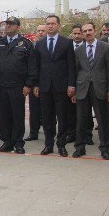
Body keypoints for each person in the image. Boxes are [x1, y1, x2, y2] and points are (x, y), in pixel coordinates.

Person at [0, 17, 37, 154]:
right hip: (1, 84)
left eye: (11, 24)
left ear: (18, 27)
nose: (8, 26)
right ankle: (7, 142)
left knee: (17, 115)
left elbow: (32, 67)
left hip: (18, 85)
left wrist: (28, 85)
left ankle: (18, 143)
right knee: (4, 115)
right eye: (6, 24)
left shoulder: (25, 44)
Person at [33, 15, 75, 157]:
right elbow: (37, 66)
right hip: (45, 86)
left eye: (52, 24)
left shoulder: (67, 43)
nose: (50, 26)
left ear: (58, 25)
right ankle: (48, 144)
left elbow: (71, 65)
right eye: (47, 24)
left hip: (61, 86)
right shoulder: (40, 43)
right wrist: (36, 85)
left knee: (62, 117)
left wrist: (71, 84)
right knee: (47, 118)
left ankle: (61, 145)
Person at [73, 22, 109, 159]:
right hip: (82, 88)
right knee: (81, 120)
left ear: (95, 31)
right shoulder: (78, 50)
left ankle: (105, 148)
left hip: (100, 87)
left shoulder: (105, 47)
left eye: (90, 30)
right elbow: (75, 71)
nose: (87, 33)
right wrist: (74, 90)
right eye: (85, 31)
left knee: (102, 120)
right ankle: (79, 147)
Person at [26, 24, 46, 141]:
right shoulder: (32, 46)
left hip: (48, 82)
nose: (40, 33)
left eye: (42, 31)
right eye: (38, 31)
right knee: (34, 109)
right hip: (34, 82)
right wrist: (32, 84)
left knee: (48, 110)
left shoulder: (49, 45)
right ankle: (33, 132)